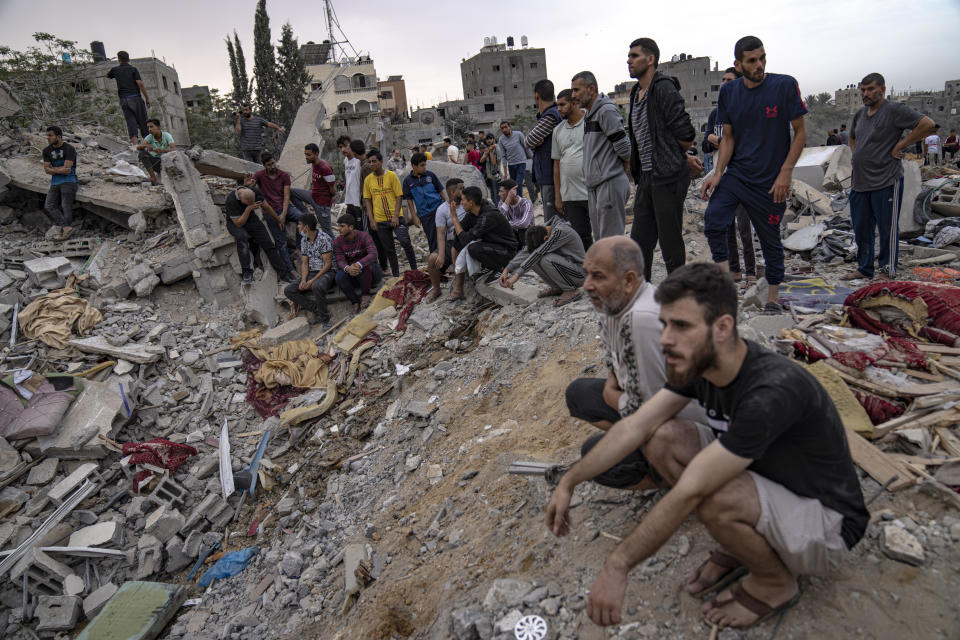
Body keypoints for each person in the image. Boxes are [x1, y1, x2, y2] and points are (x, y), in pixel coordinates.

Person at [546, 262, 869, 629]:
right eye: (665, 324)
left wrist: (618, 564)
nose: (666, 339)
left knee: (708, 494)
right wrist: (569, 480)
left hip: (828, 525)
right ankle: (741, 543)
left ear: (723, 327)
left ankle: (775, 582)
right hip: (772, 484)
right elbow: (636, 426)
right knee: (662, 436)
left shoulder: (770, 392)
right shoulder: (702, 364)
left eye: (681, 326)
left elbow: (691, 489)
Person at [565, 237, 709, 487]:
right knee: (579, 394)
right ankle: (648, 457)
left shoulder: (642, 319)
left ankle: (679, 479)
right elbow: (615, 363)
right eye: (586, 274)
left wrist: (613, 396)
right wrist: (615, 391)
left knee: (595, 457)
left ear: (628, 280)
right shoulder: (613, 303)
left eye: (598, 276)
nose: (587, 285)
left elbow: (651, 413)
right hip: (647, 405)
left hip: (694, 427)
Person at [700, 36, 807, 313]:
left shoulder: (784, 85)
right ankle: (725, 288)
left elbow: (800, 132)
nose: (759, 65)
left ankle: (773, 297)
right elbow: (728, 138)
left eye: (762, 58)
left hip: (771, 181)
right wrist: (718, 172)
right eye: (752, 60)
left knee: (769, 238)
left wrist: (786, 173)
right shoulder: (729, 92)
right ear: (738, 64)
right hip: (738, 174)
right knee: (713, 219)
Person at [626, 38, 701, 283]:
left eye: (635, 56)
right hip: (647, 176)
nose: (629, 60)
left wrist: (674, 156)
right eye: (629, 56)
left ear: (651, 59)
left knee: (670, 241)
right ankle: (642, 294)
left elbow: (686, 136)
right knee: (640, 241)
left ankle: (679, 293)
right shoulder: (637, 92)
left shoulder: (664, 88)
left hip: (667, 175)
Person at [847, 73, 934, 280]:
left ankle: (888, 270)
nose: (865, 94)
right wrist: (856, 154)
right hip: (859, 182)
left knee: (887, 228)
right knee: (861, 228)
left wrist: (901, 145)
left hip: (885, 179)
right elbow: (851, 137)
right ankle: (864, 268)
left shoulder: (894, 110)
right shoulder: (860, 114)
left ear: (882, 90)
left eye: (870, 89)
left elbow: (928, 124)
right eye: (863, 89)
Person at [704, 68, 756, 285]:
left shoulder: (745, 111)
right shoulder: (715, 114)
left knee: (745, 226)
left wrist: (723, 140)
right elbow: (706, 143)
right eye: (722, 80)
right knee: (726, 226)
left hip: (743, 176)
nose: (724, 83)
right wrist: (720, 140)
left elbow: (746, 143)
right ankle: (734, 271)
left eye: (729, 80)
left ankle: (751, 272)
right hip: (721, 175)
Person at [572, 70, 632, 240]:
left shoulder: (606, 111)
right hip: (597, 186)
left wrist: (625, 165)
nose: (573, 95)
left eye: (577, 90)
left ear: (591, 89)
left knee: (611, 243)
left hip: (609, 184)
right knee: (601, 241)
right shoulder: (590, 115)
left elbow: (624, 147)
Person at [500, 219, 585, 306]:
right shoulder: (541, 230)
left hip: (579, 274)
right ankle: (558, 288)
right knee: (533, 257)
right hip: (568, 271)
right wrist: (507, 269)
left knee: (545, 259)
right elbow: (527, 251)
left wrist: (516, 275)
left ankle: (571, 290)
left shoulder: (561, 231)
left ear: (546, 238)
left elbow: (539, 252)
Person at [225, 185, 297, 284]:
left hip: (251, 219)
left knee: (269, 244)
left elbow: (266, 207)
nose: (250, 204)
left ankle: (284, 274)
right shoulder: (231, 200)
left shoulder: (255, 192)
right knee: (242, 238)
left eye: (252, 202)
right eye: (247, 203)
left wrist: (278, 220)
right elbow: (239, 223)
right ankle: (247, 273)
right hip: (235, 223)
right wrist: (249, 208)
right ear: (241, 198)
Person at [246, 152, 301, 280]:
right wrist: (248, 182)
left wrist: (283, 214)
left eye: (273, 163)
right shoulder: (259, 175)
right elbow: (250, 185)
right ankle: (291, 270)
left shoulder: (284, 175)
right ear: (264, 166)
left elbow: (287, 196)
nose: (272, 166)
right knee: (281, 243)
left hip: (285, 208)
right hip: (270, 211)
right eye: (269, 165)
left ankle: (298, 248)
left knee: (302, 218)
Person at [365, 150, 419, 276]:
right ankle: (396, 275)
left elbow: (399, 196)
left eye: (374, 161)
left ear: (381, 162)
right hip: (380, 221)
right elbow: (367, 200)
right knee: (389, 249)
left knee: (405, 241)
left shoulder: (391, 176)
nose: (372, 164)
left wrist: (395, 216)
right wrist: (372, 220)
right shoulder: (368, 180)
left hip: (396, 218)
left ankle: (415, 270)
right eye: (370, 162)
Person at [552, 89, 592, 251]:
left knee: (602, 234)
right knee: (581, 237)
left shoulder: (590, 123)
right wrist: (558, 196)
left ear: (574, 103)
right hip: (570, 195)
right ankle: (589, 273)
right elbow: (556, 165)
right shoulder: (558, 130)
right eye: (557, 105)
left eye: (562, 105)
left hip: (592, 191)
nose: (558, 109)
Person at [450, 186, 518, 278]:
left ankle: (501, 270)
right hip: (492, 247)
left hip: (507, 251)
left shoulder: (488, 215)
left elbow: (465, 239)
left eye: (463, 200)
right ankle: (464, 275)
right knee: (458, 241)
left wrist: (454, 218)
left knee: (473, 248)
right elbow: (457, 232)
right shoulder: (472, 214)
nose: (461, 203)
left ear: (471, 202)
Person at [284, 212, 334, 327]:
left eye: (299, 224)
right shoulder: (304, 240)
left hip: (327, 272)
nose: (298, 226)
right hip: (312, 272)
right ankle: (318, 311)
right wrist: (303, 280)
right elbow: (305, 263)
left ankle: (325, 319)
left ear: (306, 227)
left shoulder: (323, 239)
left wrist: (312, 281)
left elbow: (328, 264)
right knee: (289, 290)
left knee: (316, 286)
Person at [526, 79, 562, 224]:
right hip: (547, 175)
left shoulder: (550, 116)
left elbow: (528, 141)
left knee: (552, 222)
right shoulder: (548, 115)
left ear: (536, 96)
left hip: (550, 177)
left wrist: (533, 143)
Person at [333, 213, 383, 313]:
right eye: (339, 226)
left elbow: (373, 254)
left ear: (351, 227)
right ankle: (354, 301)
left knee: (365, 267)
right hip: (352, 273)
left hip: (370, 272)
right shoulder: (337, 241)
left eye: (342, 226)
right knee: (339, 277)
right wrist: (348, 268)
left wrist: (358, 264)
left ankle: (366, 294)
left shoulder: (364, 236)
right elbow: (340, 260)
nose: (339, 229)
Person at [426, 178, 466, 302]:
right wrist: (441, 255)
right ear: (453, 192)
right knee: (433, 259)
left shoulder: (467, 203)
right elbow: (440, 234)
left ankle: (458, 289)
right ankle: (436, 289)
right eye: (461, 189)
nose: (464, 190)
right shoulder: (442, 209)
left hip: (467, 239)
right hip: (451, 242)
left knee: (457, 252)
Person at [402, 153, 446, 254]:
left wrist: (447, 206)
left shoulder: (430, 175)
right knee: (432, 239)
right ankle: (436, 263)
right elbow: (409, 200)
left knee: (444, 234)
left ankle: (447, 259)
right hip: (425, 214)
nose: (424, 167)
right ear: (414, 166)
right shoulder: (407, 181)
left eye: (425, 165)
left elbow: (440, 191)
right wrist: (414, 217)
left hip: (439, 209)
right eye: (422, 165)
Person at [42, 125, 78, 241]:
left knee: (65, 206)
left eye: (50, 135)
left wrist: (54, 170)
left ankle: (65, 233)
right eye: (47, 135)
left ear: (59, 136)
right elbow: (46, 170)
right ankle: (66, 227)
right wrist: (59, 170)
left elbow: (67, 170)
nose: (48, 138)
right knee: (49, 205)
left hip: (69, 181)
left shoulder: (69, 149)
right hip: (55, 182)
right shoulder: (46, 151)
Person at [106, 51, 150, 144]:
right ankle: (148, 145)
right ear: (129, 59)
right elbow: (140, 83)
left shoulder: (115, 70)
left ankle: (134, 145)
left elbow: (108, 75)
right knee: (143, 122)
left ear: (118, 60)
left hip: (124, 100)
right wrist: (147, 98)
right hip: (136, 98)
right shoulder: (133, 69)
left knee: (131, 122)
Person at [304, 143, 335, 236]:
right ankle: (306, 214)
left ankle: (334, 250)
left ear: (316, 154)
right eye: (305, 154)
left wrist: (324, 203)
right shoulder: (314, 164)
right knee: (293, 192)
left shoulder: (325, 168)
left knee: (327, 230)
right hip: (313, 196)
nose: (306, 157)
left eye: (308, 155)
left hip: (322, 203)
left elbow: (333, 190)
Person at [135, 118, 175, 185]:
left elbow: (174, 149)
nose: (149, 129)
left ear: (158, 127)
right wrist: (148, 146)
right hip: (156, 163)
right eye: (148, 127)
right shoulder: (150, 137)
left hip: (167, 162)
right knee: (142, 153)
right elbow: (138, 147)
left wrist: (163, 150)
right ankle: (153, 178)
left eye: (151, 127)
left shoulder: (167, 136)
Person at [497, 121, 530, 198]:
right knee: (512, 186)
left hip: (521, 163)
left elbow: (526, 147)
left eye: (505, 127)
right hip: (511, 165)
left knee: (518, 184)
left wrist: (532, 157)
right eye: (502, 128)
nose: (504, 129)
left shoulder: (519, 134)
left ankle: (520, 202)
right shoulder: (501, 139)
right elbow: (503, 156)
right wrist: (505, 173)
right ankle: (515, 201)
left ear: (510, 127)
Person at [497, 178, 535, 246]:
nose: (499, 194)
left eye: (501, 191)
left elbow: (524, 224)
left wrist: (505, 224)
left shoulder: (526, 203)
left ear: (510, 192)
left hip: (528, 236)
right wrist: (508, 200)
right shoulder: (502, 202)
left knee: (522, 231)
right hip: (514, 233)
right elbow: (498, 219)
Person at [339, 135, 363, 222]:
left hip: (358, 201)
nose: (343, 149)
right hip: (349, 200)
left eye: (345, 146)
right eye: (341, 147)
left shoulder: (358, 161)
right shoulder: (345, 161)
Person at [480, 133, 502, 205]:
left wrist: (491, 152)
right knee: (492, 195)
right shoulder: (487, 148)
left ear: (493, 139)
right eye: (487, 139)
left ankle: (499, 211)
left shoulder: (497, 148)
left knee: (497, 195)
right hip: (489, 176)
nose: (489, 140)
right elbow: (481, 161)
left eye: (490, 138)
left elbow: (494, 162)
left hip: (496, 175)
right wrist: (487, 152)